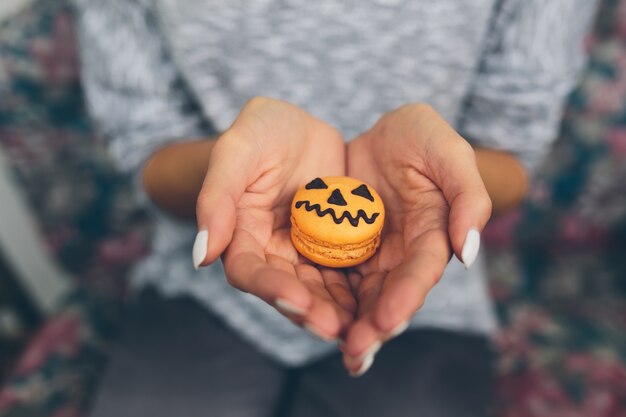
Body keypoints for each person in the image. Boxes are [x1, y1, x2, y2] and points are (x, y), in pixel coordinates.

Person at [72, 0, 599, 416]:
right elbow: (144, 141)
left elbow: (513, 153)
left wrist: (441, 185)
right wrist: (231, 169)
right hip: (204, 288)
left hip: (426, 289)